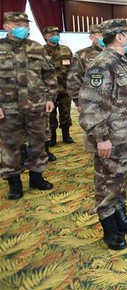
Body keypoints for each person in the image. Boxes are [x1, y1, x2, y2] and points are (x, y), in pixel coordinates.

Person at [78, 18, 127, 251]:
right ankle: (110, 230)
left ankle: (121, 219)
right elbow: (91, 106)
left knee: (123, 180)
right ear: (119, 37)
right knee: (108, 183)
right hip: (113, 139)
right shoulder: (102, 65)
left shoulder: (122, 61)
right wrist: (101, 138)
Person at [0, 12, 56, 200]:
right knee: (10, 145)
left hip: (36, 105)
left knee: (37, 142)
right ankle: (14, 182)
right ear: (7, 26)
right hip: (8, 108)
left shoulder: (36, 47)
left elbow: (49, 73)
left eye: (25, 24)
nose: (23, 27)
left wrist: (50, 97)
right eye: (18, 24)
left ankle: (36, 177)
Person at [43, 26, 75, 146]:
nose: (55, 36)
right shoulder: (41, 51)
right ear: (46, 36)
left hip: (65, 88)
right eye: (52, 34)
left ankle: (66, 134)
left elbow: (72, 67)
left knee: (65, 112)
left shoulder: (65, 49)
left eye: (57, 34)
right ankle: (52, 137)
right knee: (50, 114)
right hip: (49, 90)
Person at [67, 24, 104, 109]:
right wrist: (78, 101)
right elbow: (73, 79)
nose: (103, 37)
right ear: (91, 37)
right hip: (91, 102)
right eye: (100, 35)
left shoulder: (115, 53)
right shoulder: (81, 54)